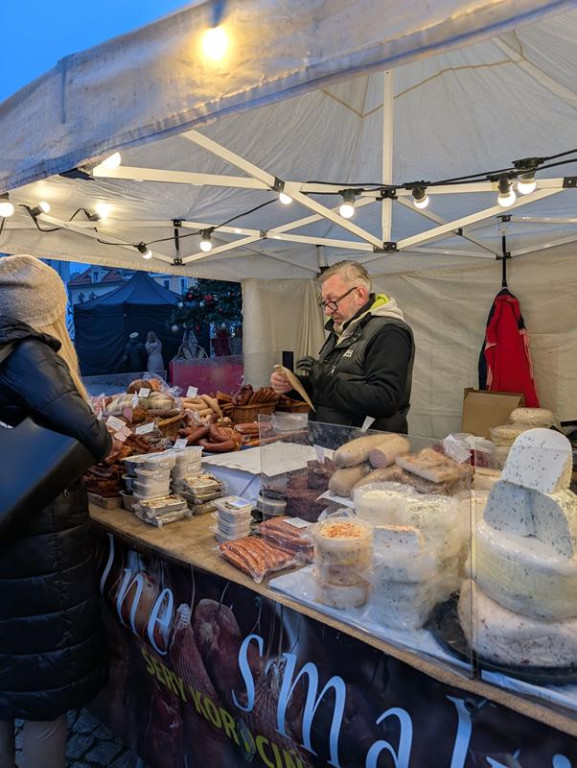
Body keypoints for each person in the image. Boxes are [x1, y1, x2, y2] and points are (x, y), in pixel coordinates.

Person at [0, 255, 112, 768]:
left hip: (11, 539)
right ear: (43, 309)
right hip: (34, 551)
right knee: (45, 703)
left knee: (3, 692)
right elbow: (93, 434)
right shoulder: (27, 352)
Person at [270, 260, 415, 433]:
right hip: (332, 444)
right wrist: (296, 385)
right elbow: (334, 389)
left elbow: (385, 400)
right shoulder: (341, 330)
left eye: (332, 301)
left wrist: (324, 382)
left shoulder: (389, 333)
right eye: (324, 302)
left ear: (359, 294)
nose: (328, 311)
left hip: (367, 450)